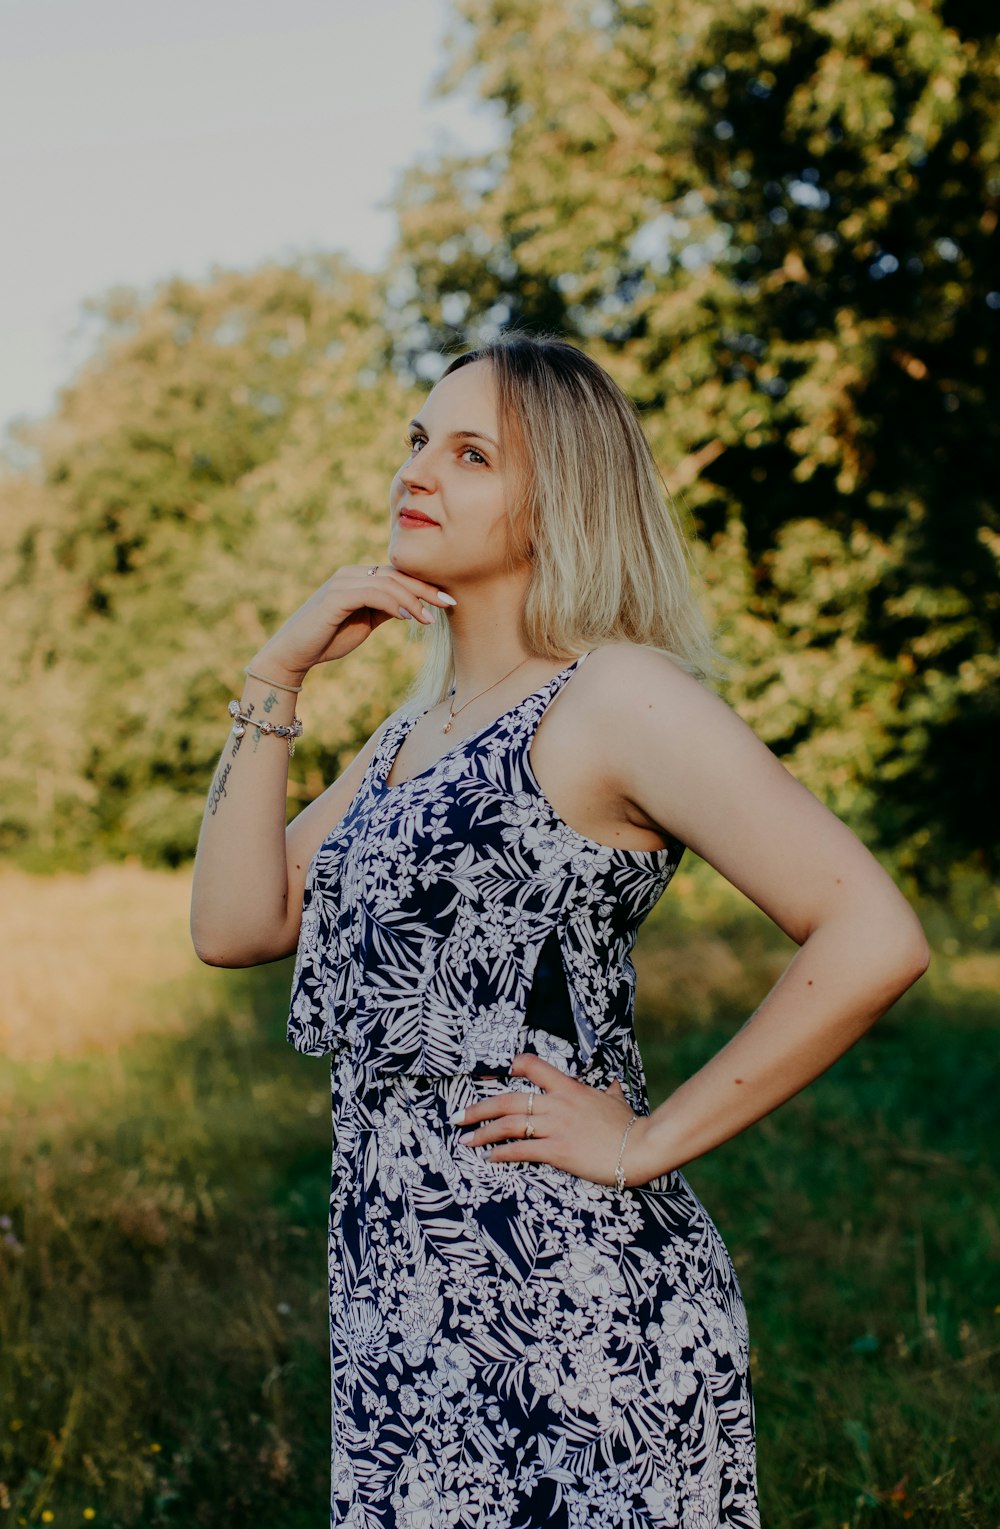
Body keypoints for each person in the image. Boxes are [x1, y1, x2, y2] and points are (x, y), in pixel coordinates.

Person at [190, 333, 929, 1528]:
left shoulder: (615, 697)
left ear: (562, 496)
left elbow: (871, 930)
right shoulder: (406, 736)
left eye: (471, 453)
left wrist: (649, 1141)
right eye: (418, 441)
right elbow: (234, 924)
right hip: (402, 1309)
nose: (418, 472)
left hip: (569, 1307)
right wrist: (274, 680)